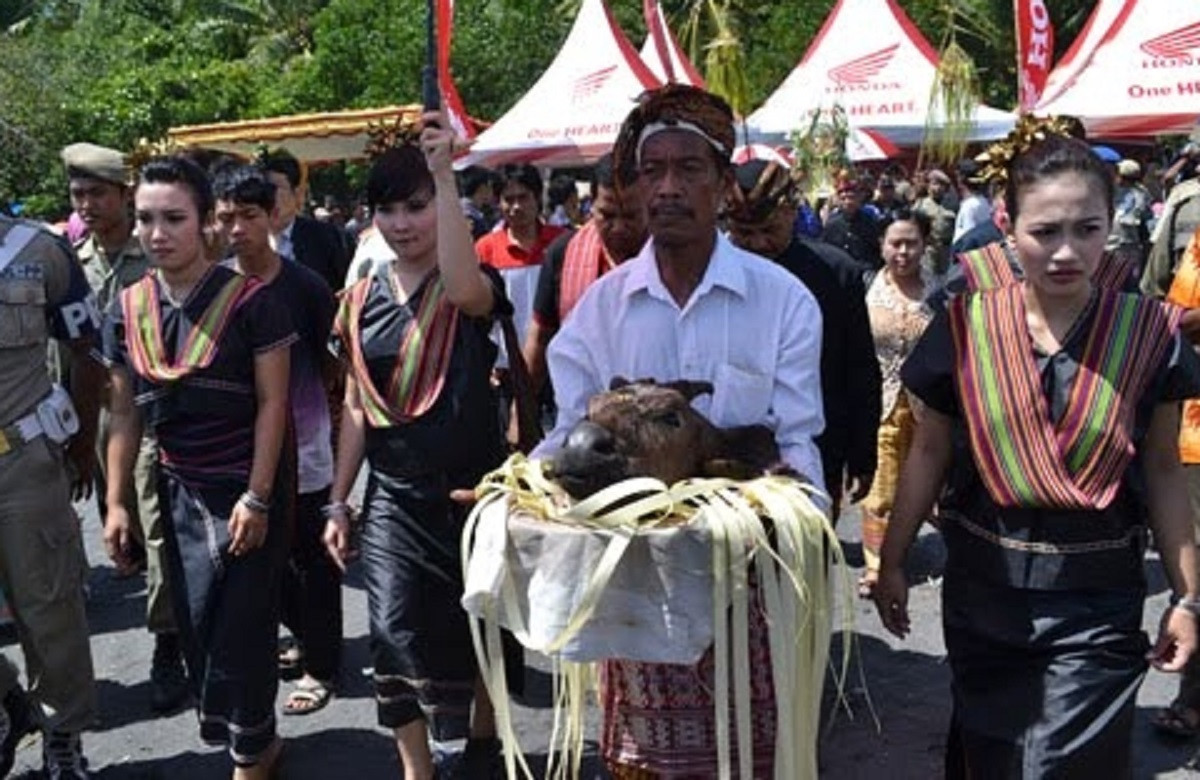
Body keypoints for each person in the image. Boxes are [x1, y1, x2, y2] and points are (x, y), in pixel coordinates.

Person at [873, 116, 1200, 778]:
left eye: (1087, 229)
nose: (1067, 252)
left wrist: (1188, 598)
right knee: (990, 756)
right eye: (1044, 232)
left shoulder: (1149, 337)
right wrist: (892, 560)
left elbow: (1164, 471)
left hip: (1100, 601)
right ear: (1008, 226)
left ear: (1113, 222)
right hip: (984, 593)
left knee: (1059, 766)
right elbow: (928, 454)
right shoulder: (964, 328)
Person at [533, 83, 825, 778]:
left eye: (689, 169)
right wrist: (519, 496)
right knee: (643, 761)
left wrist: (799, 514)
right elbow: (566, 431)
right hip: (633, 585)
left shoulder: (783, 302)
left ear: (724, 184)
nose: (667, 187)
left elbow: (795, 441)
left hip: (748, 577)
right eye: (652, 170)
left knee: (752, 755)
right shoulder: (602, 311)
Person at [321, 114, 512, 780]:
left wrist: (443, 172)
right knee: (391, 629)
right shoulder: (356, 302)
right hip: (393, 498)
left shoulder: (473, 289)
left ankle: (486, 741)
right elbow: (353, 405)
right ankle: (416, 768)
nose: (401, 223)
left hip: (472, 490)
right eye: (387, 210)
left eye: (416, 207)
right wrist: (339, 501)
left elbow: (463, 285)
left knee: (478, 623)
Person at [102, 155, 294, 779]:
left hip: (247, 486)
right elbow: (125, 413)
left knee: (243, 626)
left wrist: (259, 496)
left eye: (174, 218)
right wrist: (115, 503)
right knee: (200, 628)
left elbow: (274, 404)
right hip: (177, 489)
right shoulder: (126, 309)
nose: (157, 233)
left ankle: (250, 758)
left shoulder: (254, 303)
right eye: (146, 219)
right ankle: (257, 742)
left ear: (208, 222)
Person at [62, 141, 190, 714]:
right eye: (77, 194)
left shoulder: (157, 250)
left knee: (157, 525)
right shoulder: (70, 260)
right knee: (126, 529)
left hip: (148, 406)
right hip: (92, 413)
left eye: (97, 193)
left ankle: (168, 642)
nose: (86, 204)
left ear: (122, 194)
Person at [211, 165, 342, 718]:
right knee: (263, 560)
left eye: (249, 215)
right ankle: (300, 637)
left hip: (307, 449)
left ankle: (323, 665)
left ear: (273, 216)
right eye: (225, 217)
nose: (236, 228)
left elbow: (335, 369)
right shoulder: (212, 286)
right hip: (239, 453)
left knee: (314, 561)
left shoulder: (305, 286)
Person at [0, 212, 102, 778]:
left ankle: (63, 732)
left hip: (22, 460)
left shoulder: (40, 251)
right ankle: (10, 702)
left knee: (48, 606)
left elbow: (86, 351)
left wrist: (83, 445)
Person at [727, 158, 881, 518]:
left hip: (818, 446)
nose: (759, 245)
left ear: (792, 211)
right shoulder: (713, 275)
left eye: (768, 230)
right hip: (732, 453)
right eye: (744, 235)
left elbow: (859, 367)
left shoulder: (836, 271)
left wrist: (863, 454)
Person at [522, 153, 647, 406]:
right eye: (608, 215)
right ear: (591, 207)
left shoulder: (671, 258)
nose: (619, 227)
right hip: (582, 413)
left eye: (631, 216)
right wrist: (521, 407)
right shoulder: (563, 253)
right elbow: (541, 336)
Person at [856, 209, 934, 594]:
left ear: (924, 246)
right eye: (895, 243)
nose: (903, 252)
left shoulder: (939, 291)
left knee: (927, 486)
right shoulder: (866, 288)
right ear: (881, 246)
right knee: (881, 488)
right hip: (879, 405)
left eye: (911, 243)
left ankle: (905, 552)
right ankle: (876, 567)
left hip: (928, 410)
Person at [259, 146, 352, 292]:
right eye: (263, 190)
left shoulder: (327, 239)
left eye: (275, 188)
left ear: (297, 193)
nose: (269, 197)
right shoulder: (248, 239)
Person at [821, 171, 882, 271]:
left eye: (852, 198)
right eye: (844, 198)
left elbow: (876, 251)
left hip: (864, 270)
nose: (848, 202)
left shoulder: (869, 222)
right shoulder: (832, 223)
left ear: (859, 198)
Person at [1108, 158, 1152, 276]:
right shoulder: (1143, 193)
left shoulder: (1109, 190)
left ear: (1120, 175)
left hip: (1117, 247)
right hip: (1127, 247)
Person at [914, 168, 957, 275]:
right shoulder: (921, 205)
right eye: (934, 184)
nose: (937, 188)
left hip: (947, 249)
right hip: (929, 249)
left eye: (941, 185)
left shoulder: (952, 204)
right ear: (928, 186)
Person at [951, 160, 991, 244]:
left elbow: (966, 238)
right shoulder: (983, 202)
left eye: (958, 176)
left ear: (961, 178)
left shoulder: (970, 206)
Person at [457, 166, 497, 240]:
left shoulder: (462, 209)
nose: (493, 190)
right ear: (483, 188)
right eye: (491, 185)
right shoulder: (468, 216)